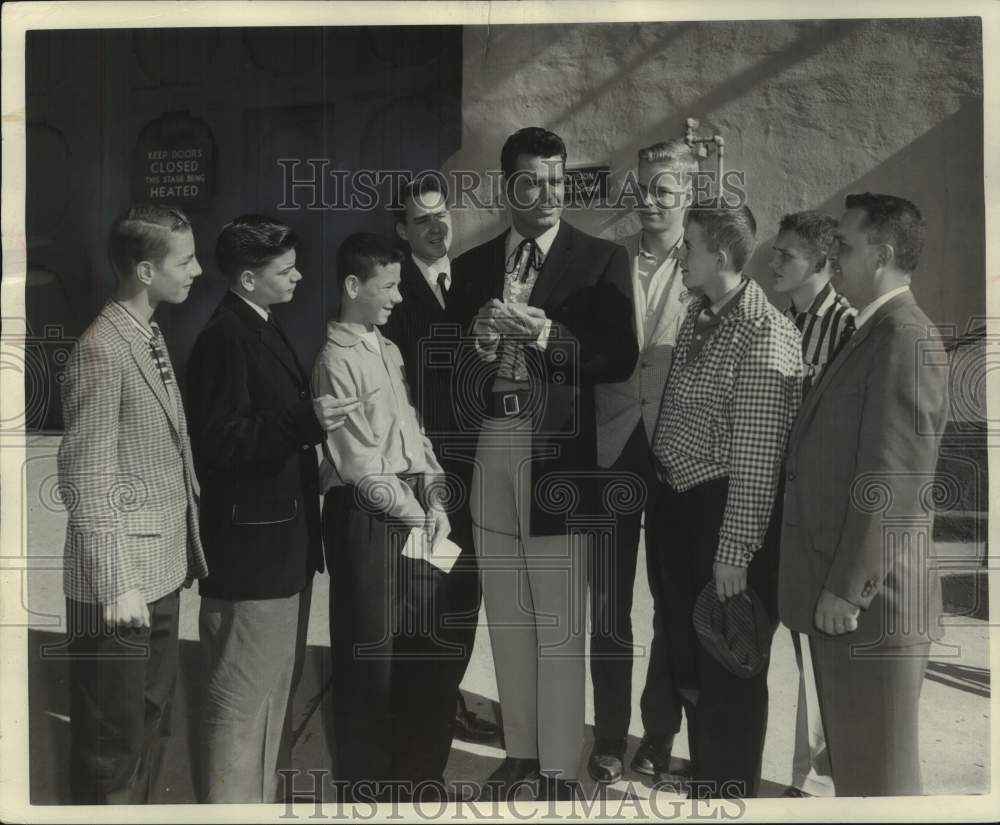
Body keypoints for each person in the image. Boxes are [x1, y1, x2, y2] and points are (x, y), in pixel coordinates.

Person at [449, 126, 636, 801]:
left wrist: (551, 334)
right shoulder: (471, 267)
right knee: (507, 609)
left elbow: (619, 357)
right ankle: (521, 750)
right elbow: (443, 372)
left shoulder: (602, 257)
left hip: (563, 451)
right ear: (508, 187)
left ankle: (559, 765)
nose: (549, 193)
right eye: (533, 181)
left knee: (559, 617)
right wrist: (474, 340)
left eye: (557, 180)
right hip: (492, 440)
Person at [779, 193, 948, 796]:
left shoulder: (903, 336)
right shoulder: (873, 329)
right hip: (855, 598)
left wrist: (847, 591)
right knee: (856, 771)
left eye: (844, 246)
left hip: (873, 606)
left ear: (882, 253)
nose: (834, 255)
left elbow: (895, 479)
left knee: (881, 778)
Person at [185, 215, 356, 802]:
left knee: (267, 703)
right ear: (249, 279)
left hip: (279, 552)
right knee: (238, 707)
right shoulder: (225, 337)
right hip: (252, 559)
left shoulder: (258, 323)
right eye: (285, 270)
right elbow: (219, 442)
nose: (299, 277)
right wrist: (302, 423)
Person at [57, 202, 209, 803]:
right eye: (186, 259)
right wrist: (118, 582)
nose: (197, 270)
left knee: (149, 725)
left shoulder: (147, 332)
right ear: (145, 271)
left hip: (158, 572)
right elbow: (86, 475)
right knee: (111, 746)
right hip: (117, 584)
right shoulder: (103, 347)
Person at [650, 203, 801, 798]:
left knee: (730, 661)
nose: (678, 254)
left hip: (723, 515)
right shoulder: (700, 313)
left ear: (720, 254)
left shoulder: (766, 332)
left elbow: (758, 461)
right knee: (689, 657)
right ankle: (710, 776)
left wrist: (734, 551)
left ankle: (729, 790)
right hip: (677, 505)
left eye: (688, 245)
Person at [312, 232, 453, 801]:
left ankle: (414, 778)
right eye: (389, 286)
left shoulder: (386, 348)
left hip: (416, 510)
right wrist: (418, 516)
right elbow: (360, 466)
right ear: (353, 286)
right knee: (369, 659)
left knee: (422, 648)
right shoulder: (334, 359)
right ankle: (366, 792)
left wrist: (437, 497)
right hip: (370, 519)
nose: (398, 296)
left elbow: (414, 435)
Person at [383, 173, 499, 761]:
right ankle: (415, 740)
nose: (438, 226)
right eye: (422, 219)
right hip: (429, 480)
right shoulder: (393, 294)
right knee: (427, 606)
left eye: (442, 214)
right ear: (402, 232)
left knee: (463, 603)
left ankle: (443, 706)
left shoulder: (475, 279)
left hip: (478, 475)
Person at [590, 140, 695, 783]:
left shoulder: (712, 263)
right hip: (611, 445)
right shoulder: (607, 260)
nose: (650, 200)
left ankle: (658, 733)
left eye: (663, 190)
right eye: (644, 189)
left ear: (687, 195)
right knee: (607, 601)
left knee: (673, 599)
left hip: (678, 449)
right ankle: (607, 734)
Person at [769, 209, 856, 798]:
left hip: (823, 512)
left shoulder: (848, 328)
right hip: (783, 505)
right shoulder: (784, 321)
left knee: (826, 652)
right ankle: (807, 774)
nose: (775, 263)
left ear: (822, 265)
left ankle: (824, 780)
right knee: (797, 647)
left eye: (787, 256)